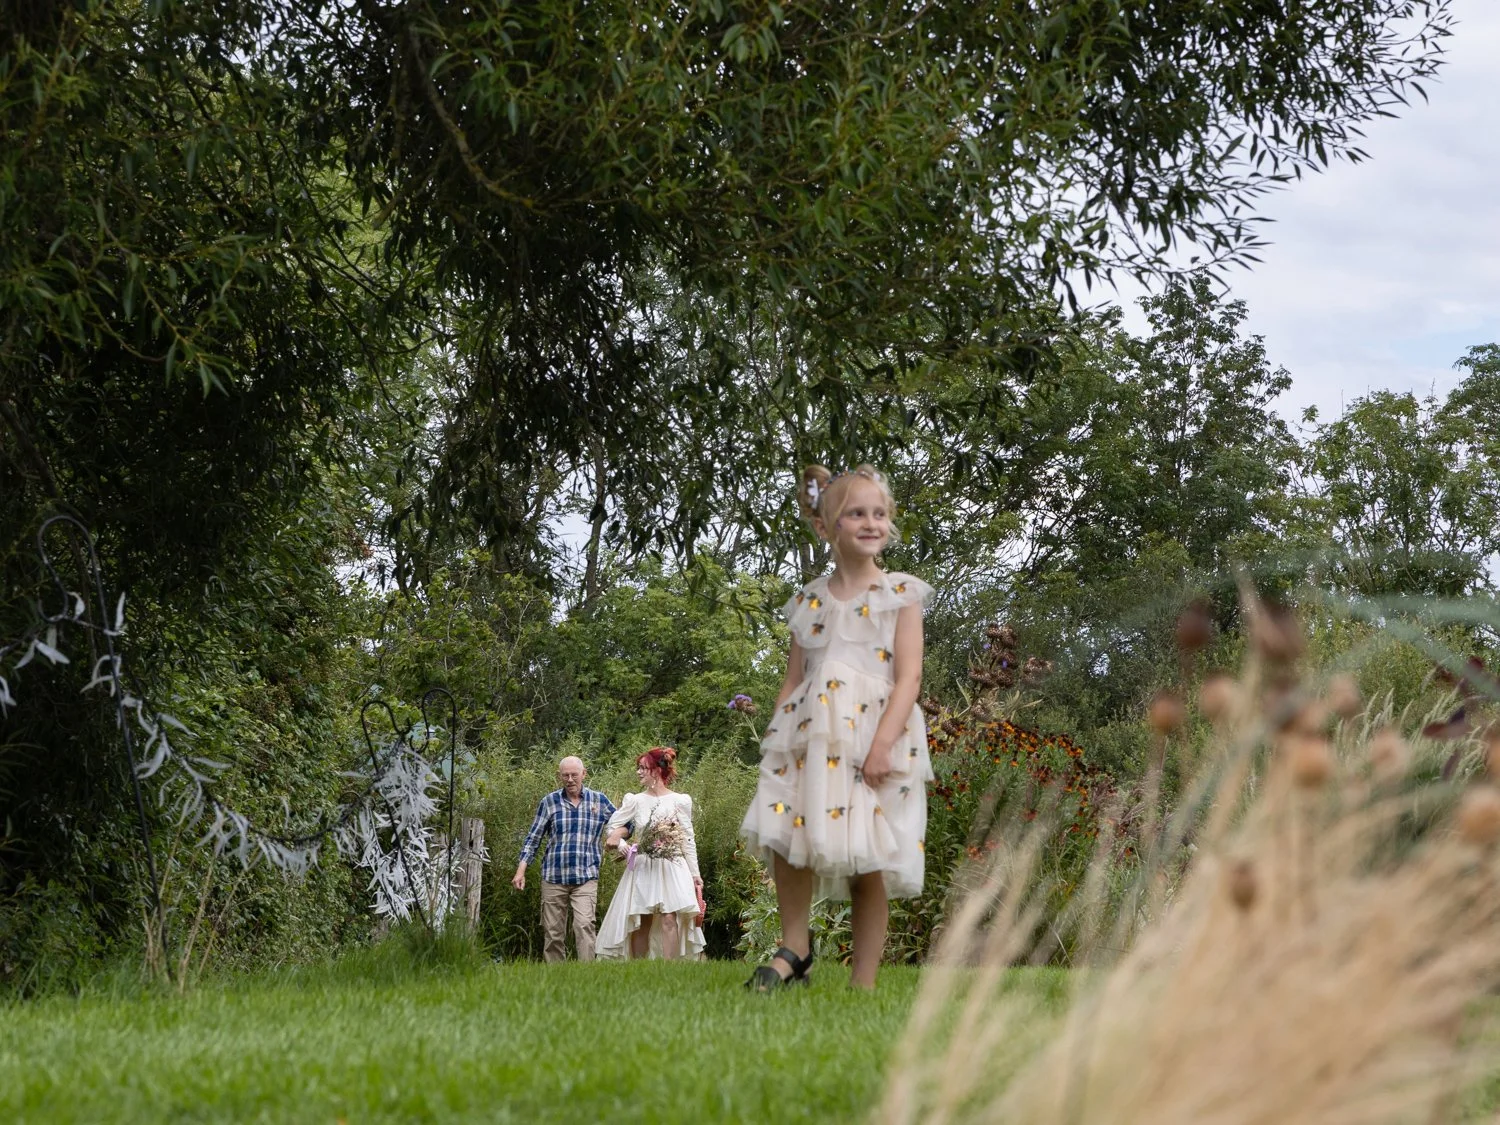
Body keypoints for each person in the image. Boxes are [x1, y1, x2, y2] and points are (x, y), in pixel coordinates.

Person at [739, 464, 932, 991]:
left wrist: (883, 744)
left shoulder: (900, 594)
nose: (871, 522)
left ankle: (862, 983)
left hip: (873, 739)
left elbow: (909, 677)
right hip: (811, 738)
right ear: (826, 527)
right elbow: (794, 679)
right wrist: (777, 740)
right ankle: (795, 948)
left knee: (868, 857)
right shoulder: (810, 600)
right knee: (787, 835)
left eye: (880, 513)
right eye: (856, 513)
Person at [596, 746, 706, 961]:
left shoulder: (680, 800)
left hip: (672, 864)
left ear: (656, 770)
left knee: (669, 917)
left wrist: (695, 874)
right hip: (644, 864)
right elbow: (612, 827)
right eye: (638, 768)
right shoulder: (635, 800)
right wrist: (622, 845)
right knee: (642, 919)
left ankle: (669, 968)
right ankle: (640, 967)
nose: (638, 772)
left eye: (643, 768)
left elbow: (687, 838)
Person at [512, 755, 616, 962]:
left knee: (584, 925)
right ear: (559, 776)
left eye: (574, 775)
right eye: (565, 775)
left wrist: (617, 838)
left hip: (586, 876)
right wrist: (520, 871)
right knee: (553, 932)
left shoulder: (599, 800)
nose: (570, 780)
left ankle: (587, 973)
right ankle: (556, 974)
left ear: (584, 774)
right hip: (554, 876)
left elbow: (624, 822)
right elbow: (533, 838)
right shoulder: (549, 802)